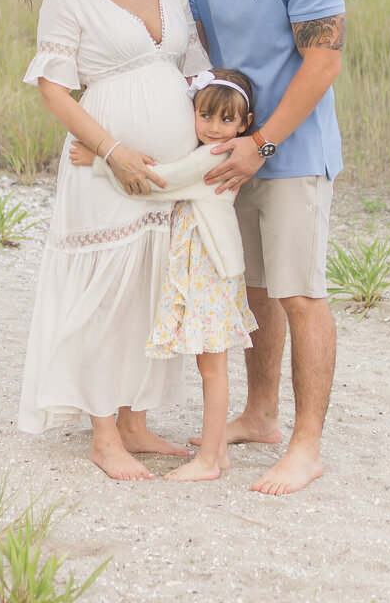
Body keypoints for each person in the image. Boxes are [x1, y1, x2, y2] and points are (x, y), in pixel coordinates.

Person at [5, 0, 211, 481]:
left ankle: (135, 422)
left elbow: (194, 63)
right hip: (104, 168)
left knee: (151, 290)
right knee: (106, 294)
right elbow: (52, 89)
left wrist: (204, 139)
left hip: (170, 175)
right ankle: (102, 436)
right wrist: (111, 149)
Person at [182, 0, 345, 496]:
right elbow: (207, 56)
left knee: (299, 293)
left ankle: (306, 447)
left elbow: (323, 64)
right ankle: (260, 415)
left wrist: (264, 144)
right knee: (253, 289)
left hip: (293, 155)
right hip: (233, 156)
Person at [72, 68, 258, 481]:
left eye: (227, 120)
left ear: (245, 124)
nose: (214, 128)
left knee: (212, 368)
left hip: (210, 271)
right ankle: (216, 455)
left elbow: (162, 182)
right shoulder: (210, 149)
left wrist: (101, 161)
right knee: (210, 366)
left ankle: (209, 460)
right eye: (205, 115)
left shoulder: (218, 156)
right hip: (203, 267)